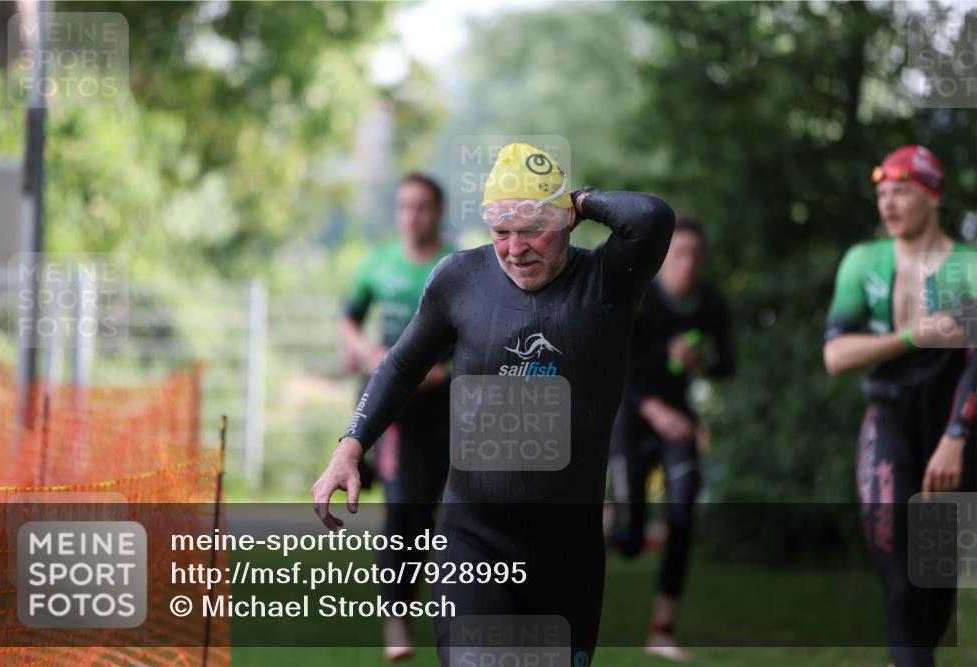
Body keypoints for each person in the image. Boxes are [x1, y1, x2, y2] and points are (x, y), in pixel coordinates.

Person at [314, 142, 675, 666]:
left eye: (533, 230)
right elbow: (400, 367)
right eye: (501, 232)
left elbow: (652, 217)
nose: (516, 249)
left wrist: (578, 198)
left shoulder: (607, 281)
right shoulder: (460, 279)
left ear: (567, 221)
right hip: (475, 543)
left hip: (568, 552)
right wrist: (350, 446)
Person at [823, 145, 976, 667]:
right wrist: (915, 335)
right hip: (887, 419)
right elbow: (836, 355)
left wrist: (955, 437)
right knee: (898, 577)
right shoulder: (867, 261)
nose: (888, 203)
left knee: (935, 589)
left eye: (902, 192)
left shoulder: (963, 265)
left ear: (932, 196)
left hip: (951, 430)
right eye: (882, 193)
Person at [339, 173, 456, 661]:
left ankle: (436, 605)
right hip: (389, 403)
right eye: (405, 206)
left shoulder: (455, 266)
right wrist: (366, 352)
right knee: (403, 504)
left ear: (439, 212)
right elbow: (348, 320)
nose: (413, 216)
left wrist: (443, 372)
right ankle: (396, 617)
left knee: (426, 510)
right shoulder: (377, 263)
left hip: (440, 404)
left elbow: (477, 334)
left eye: (422, 206)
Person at [608, 214, 734, 661]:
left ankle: (661, 630)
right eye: (679, 253)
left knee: (683, 516)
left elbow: (727, 365)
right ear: (663, 258)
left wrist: (702, 361)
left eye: (696, 254)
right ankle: (612, 523)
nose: (688, 263)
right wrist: (653, 410)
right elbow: (612, 367)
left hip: (679, 423)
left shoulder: (711, 303)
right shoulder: (640, 299)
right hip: (632, 421)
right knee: (629, 542)